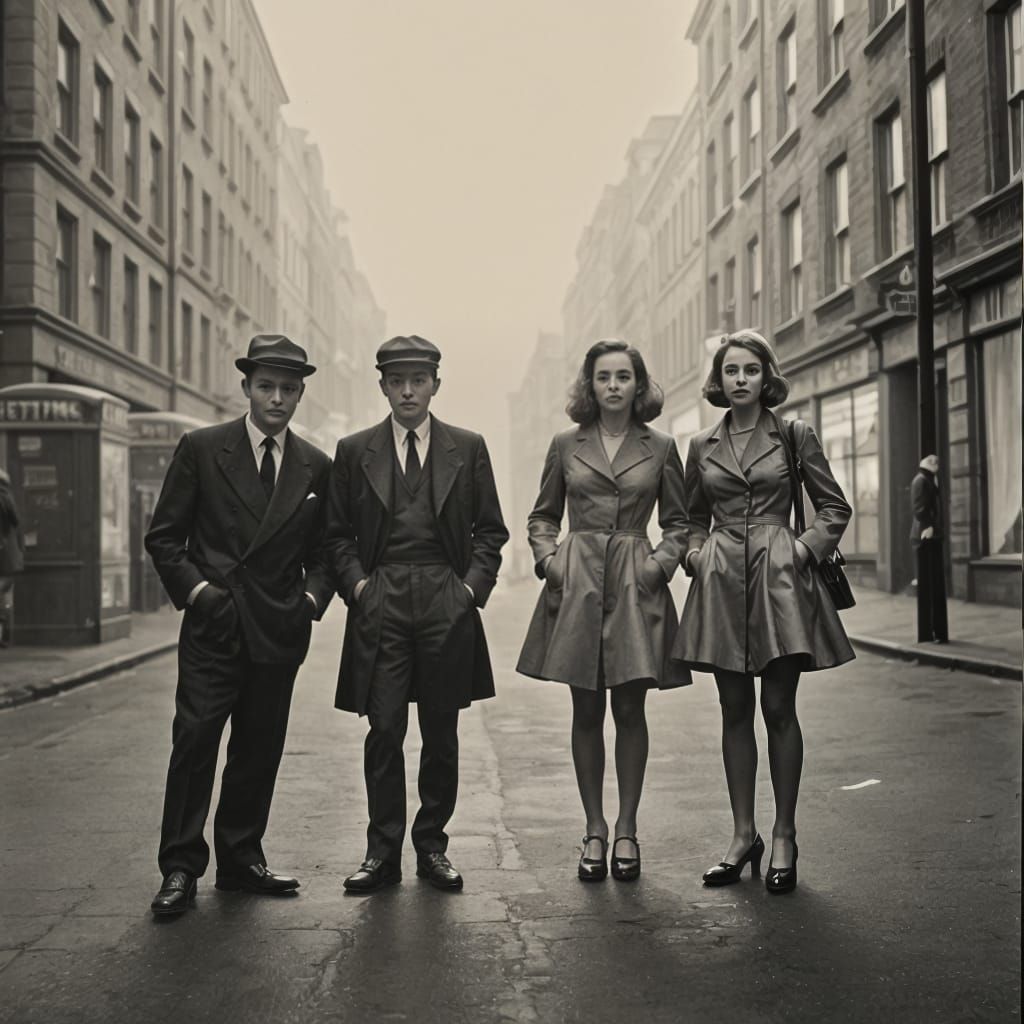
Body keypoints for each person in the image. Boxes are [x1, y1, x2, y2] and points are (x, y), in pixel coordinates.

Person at [144, 334, 334, 917]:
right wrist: (200, 594)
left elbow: (327, 552)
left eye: (288, 389)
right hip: (213, 628)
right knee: (195, 743)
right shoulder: (203, 448)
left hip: (277, 630)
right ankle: (180, 866)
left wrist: (308, 601)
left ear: (300, 395)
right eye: (266, 386)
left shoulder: (316, 465)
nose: (276, 398)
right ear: (247, 388)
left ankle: (240, 859)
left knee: (258, 748)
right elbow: (165, 538)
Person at [672, 331, 854, 895]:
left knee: (778, 706)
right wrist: (696, 555)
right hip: (722, 581)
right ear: (719, 380)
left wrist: (801, 549)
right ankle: (741, 835)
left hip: (780, 582)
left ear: (766, 375)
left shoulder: (794, 434)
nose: (742, 379)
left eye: (751, 369)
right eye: (731, 370)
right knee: (733, 708)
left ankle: (783, 835)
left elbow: (833, 506)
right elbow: (687, 518)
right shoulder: (701, 444)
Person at [325, 335, 508, 894]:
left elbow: (490, 532)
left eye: (418, 381)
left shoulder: (467, 447)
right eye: (396, 381)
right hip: (380, 596)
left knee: (441, 731)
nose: (407, 391)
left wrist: (468, 593)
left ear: (435, 384)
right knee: (383, 729)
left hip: (443, 598)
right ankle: (382, 853)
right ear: (382, 386)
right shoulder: (356, 450)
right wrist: (358, 586)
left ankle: (432, 847)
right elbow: (335, 536)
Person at [517, 339, 691, 883]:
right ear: (588, 386)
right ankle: (593, 827)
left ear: (639, 385)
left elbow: (680, 523)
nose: (613, 386)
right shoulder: (566, 444)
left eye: (623, 377)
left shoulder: (660, 446)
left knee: (631, 711)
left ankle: (627, 828)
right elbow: (543, 515)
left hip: (636, 581)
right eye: (603, 377)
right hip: (580, 583)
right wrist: (550, 561)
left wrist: (658, 565)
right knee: (586, 712)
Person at [910, 454, 948, 643]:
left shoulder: (926, 479)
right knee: (929, 585)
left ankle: (933, 632)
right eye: (933, 462)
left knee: (931, 586)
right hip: (926, 537)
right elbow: (919, 508)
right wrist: (928, 526)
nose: (936, 465)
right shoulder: (922, 480)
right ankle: (929, 633)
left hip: (929, 536)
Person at [0, 467, 25, 648]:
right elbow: (16, 521)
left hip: (5, 554)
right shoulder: (7, 497)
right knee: (5, 595)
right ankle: (5, 637)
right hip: (7, 555)